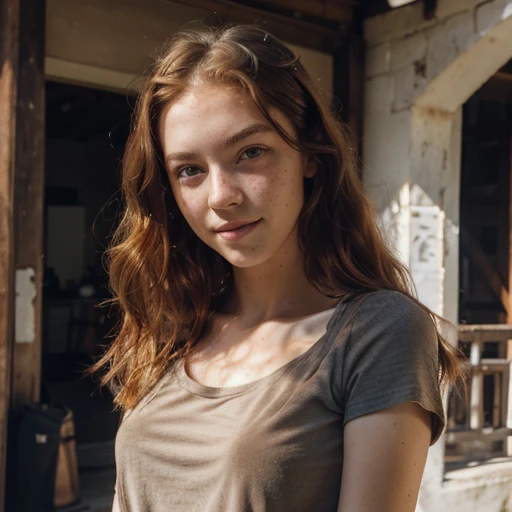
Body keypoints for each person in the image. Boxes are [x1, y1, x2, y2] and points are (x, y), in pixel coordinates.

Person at [93, 24, 464, 512]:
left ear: (309, 154)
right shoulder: (173, 327)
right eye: (190, 170)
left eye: (251, 152)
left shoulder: (377, 332)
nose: (221, 196)